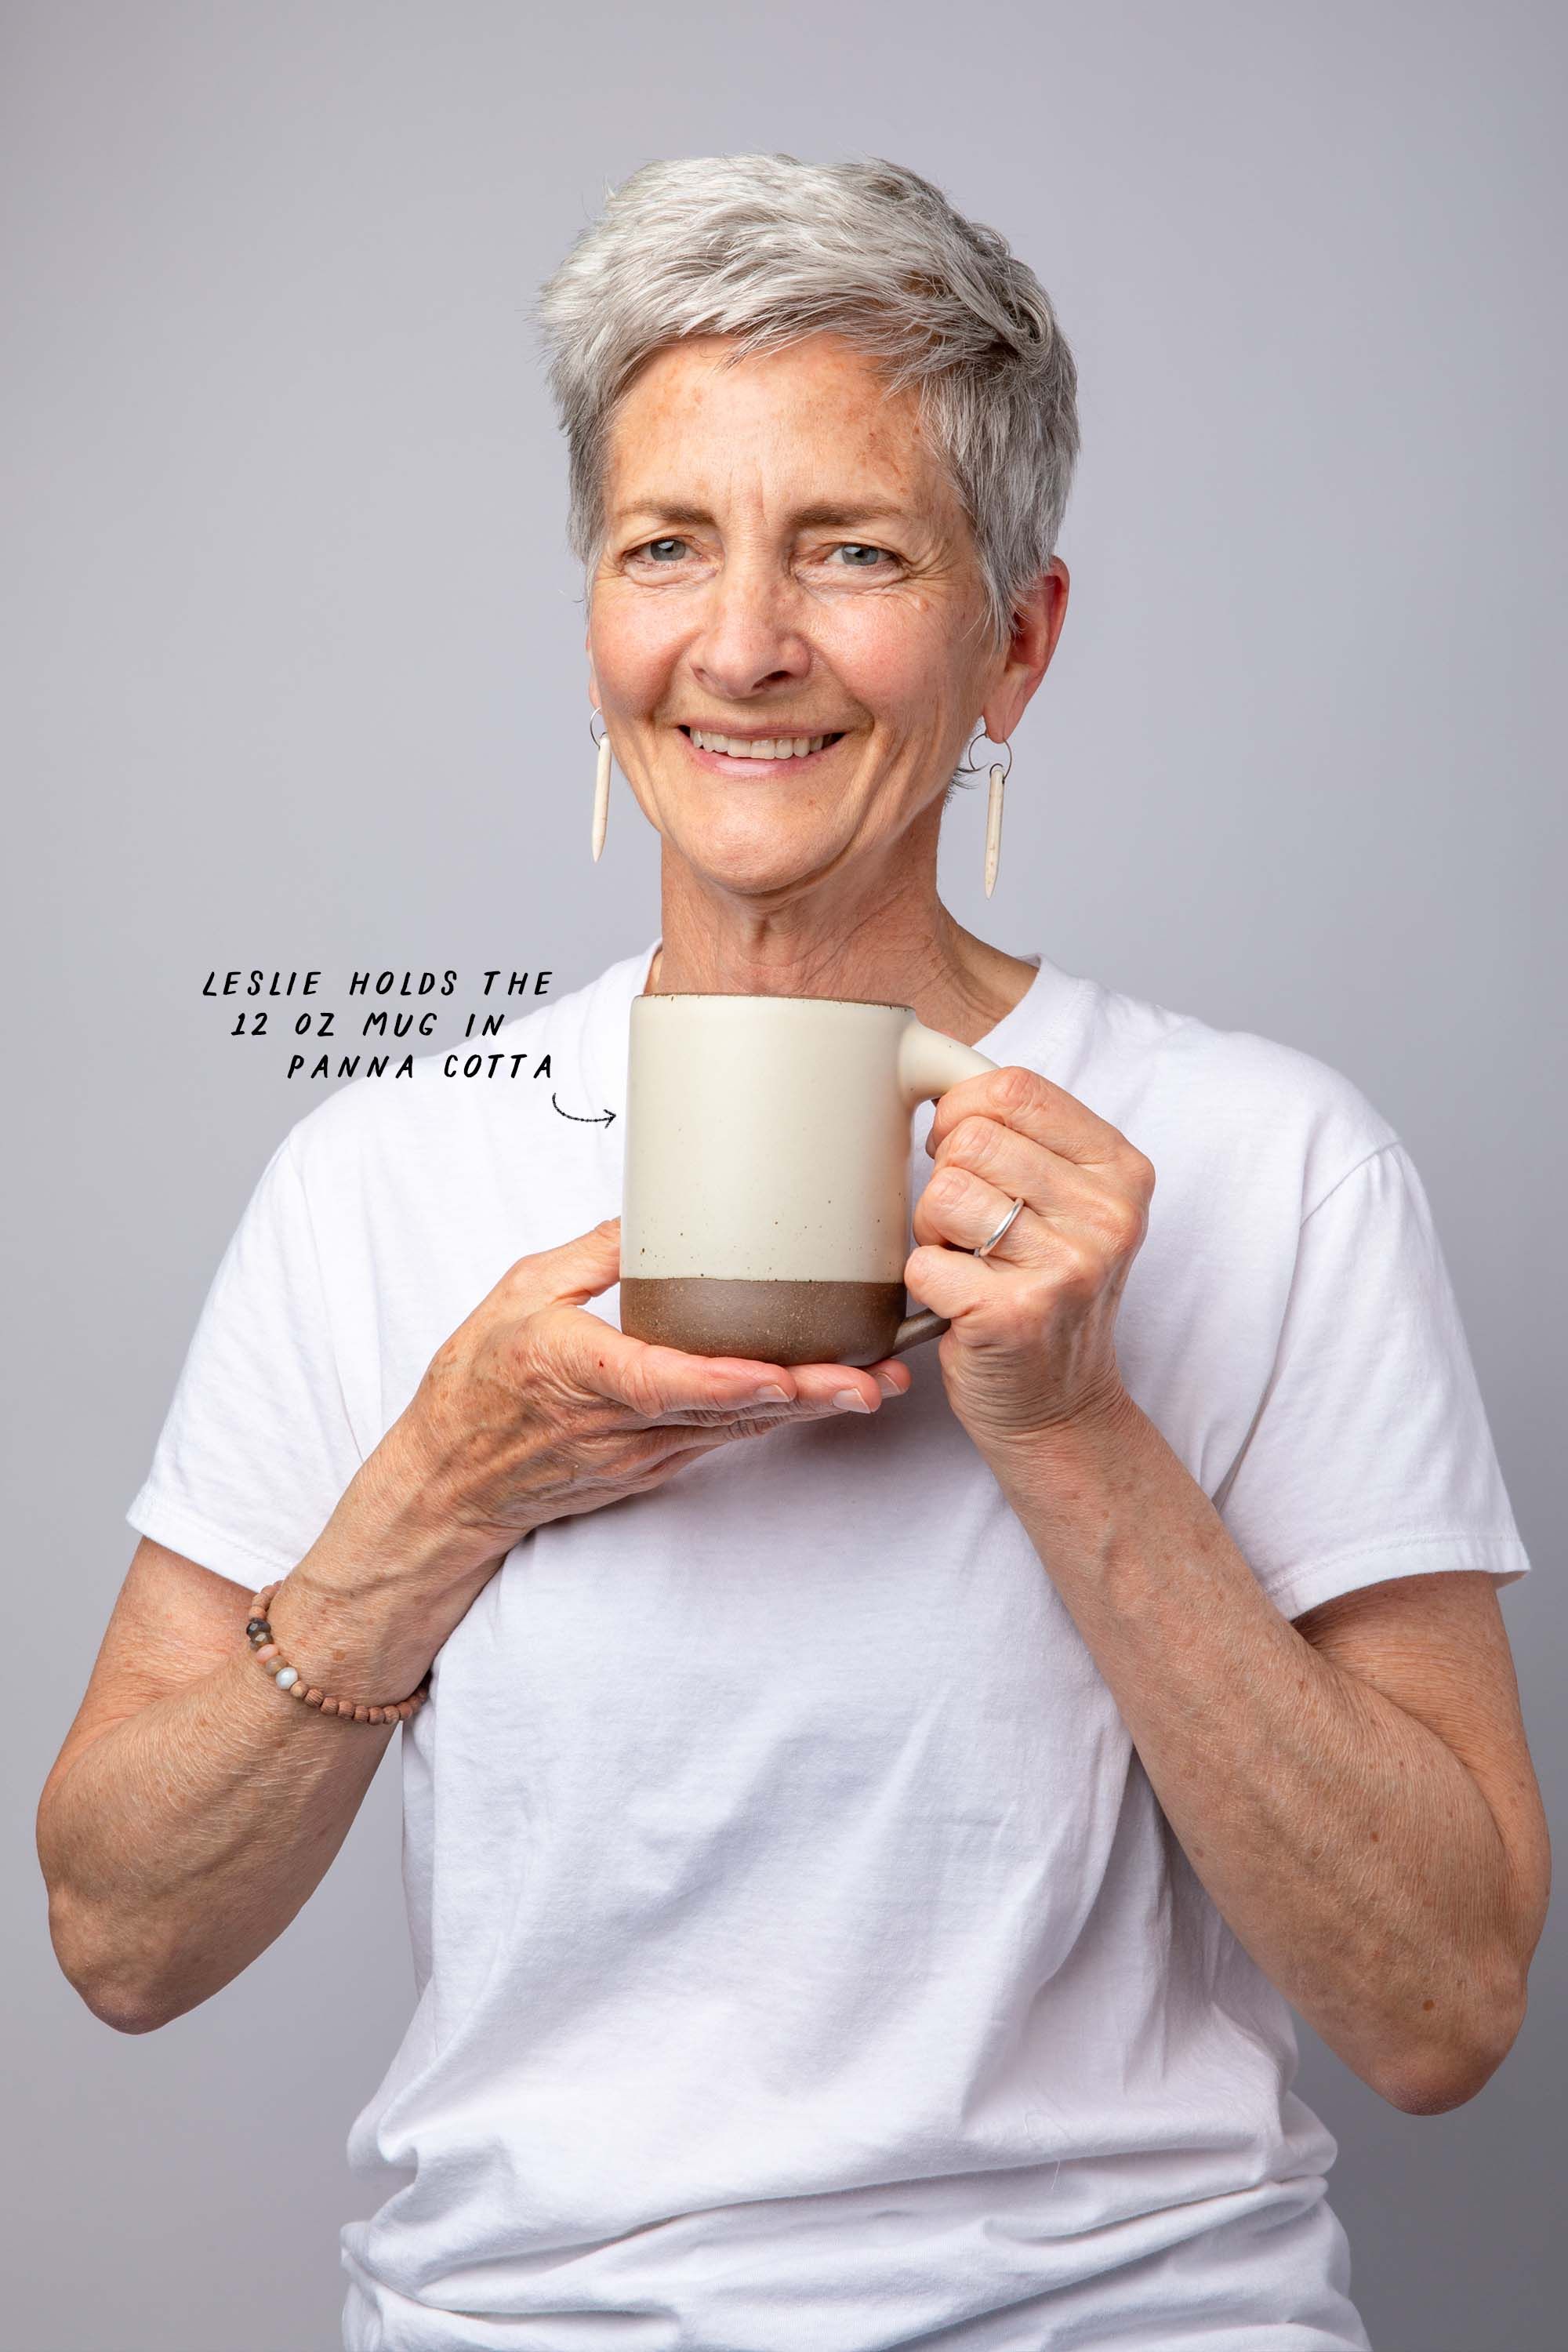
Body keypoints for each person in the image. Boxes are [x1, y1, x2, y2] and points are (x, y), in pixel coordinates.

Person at [38, 154, 1548, 2352]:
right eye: (668, 546)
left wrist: (1071, 1426)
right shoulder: (382, 1178)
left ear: (1016, 639)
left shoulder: (1267, 1163)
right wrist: (444, 1486)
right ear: (592, 616)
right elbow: (119, 1939)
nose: (742, 644)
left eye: (852, 551)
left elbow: (1443, 2007)